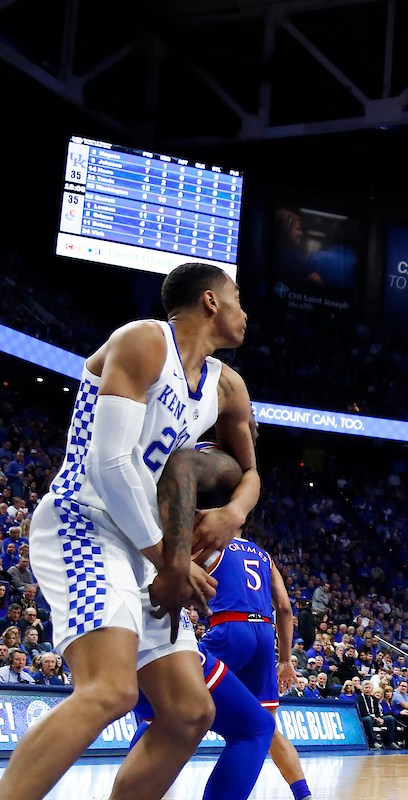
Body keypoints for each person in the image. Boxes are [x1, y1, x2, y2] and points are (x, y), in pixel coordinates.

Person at [2, 262, 258, 800]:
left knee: (190, 711)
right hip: (84, 524)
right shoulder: (144, 341)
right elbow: (111, 466)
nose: (245, 311)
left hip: (146, 547)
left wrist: (234, 511)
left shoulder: (227, 386)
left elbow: (251, 472)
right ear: (210, 301)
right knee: (110, 690)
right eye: (237, 298)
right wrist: (170, 557)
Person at [173, 445, 315, 800]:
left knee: (178, 699)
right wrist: (285, 660)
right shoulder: (263, 555)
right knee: (266, 728)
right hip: (264, 636)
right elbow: (284, 607)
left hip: (229, 630)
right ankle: (304, 794)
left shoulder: (207, 542)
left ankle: (145, 778)